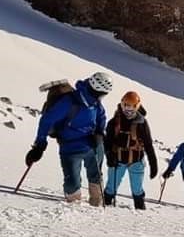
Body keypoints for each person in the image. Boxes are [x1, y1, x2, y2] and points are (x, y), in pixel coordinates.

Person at [26, 70, 112, 205]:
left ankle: (97, 206)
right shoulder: (69, 101)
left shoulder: (95, 103)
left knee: (96, 177)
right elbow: (47, 120)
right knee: (72, 186)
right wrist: (39, 145)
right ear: (99, 92)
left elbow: (101, 116)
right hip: (70, 147)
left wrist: (100, 134)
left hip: (93, 145)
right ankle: (74, 208)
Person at [103, 90, 158, 210]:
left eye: (132, 109)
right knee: (111, 187)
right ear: (122, 105)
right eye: (126, 107)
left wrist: (153, 164)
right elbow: (107, 142)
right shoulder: (114, 122)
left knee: (137, 189)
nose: (128, 111)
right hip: (117, 160)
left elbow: (148, 144)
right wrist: (109, 155)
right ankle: (105, 205)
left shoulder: (142, 123)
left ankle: (140, 209)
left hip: (137, 161)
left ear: (137, 107)